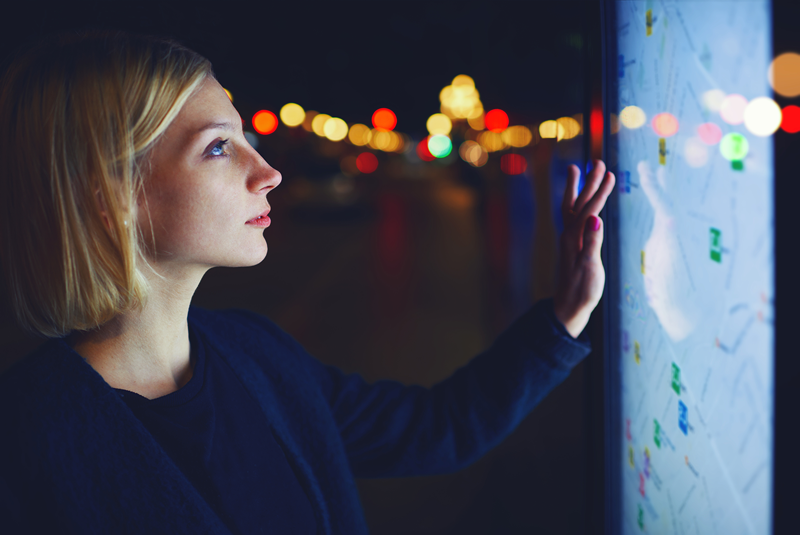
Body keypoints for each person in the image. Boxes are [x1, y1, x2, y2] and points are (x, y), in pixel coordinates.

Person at [0, 31, 615, 534]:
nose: (267, 172)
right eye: (218, 148)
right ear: (110, 197)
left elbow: (438, 428)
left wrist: (564, 314)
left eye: (248, 138)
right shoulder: (26, 446)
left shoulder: (258, 354)